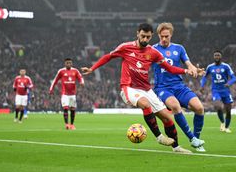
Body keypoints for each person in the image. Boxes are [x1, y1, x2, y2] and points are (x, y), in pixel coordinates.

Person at [81, 23, 196, 153]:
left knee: (168, 118)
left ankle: (176, 147)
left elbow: (169, 68)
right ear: (137, 34)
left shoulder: (154, 53)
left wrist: (186, 71)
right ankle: (159, 137)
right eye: (143, 36)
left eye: (148, 37)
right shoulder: (126, 47)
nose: (145, 39)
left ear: (151, 36)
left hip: (146, 89)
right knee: (145, 104)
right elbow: (108, 56)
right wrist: (92, 68)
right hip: (129, 87)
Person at [152, 22, 206, 152]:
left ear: (171, 35)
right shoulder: (153, 49)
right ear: (158, 35)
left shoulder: (179, 48)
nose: (164, 39)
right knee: (175, 106)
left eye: (167, 36)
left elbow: (189, 64)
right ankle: (192, 138)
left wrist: (194, 70)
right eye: (162, 36)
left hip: (179, 86)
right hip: (162, 88)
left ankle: (196, 141)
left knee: (199, 108)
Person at [200, 50, 236, 133]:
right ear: (213, 57)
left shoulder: (226, 66)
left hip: (226, 91)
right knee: (218, 106)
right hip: (215, 90)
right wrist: (202, 86)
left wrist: (229, 83)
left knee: (228, 110)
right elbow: (204, 77)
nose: (217, 57)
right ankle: (222, 123)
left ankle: (227, 127)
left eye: (218, 55)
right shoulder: (210, 67)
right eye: (215, 55)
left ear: (221, 56)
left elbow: (234, 77)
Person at [49, 58, 85, 130]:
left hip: (72, 94)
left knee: (72, 109)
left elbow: (80, 77)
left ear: (71, 63)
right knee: (65, 108)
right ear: (65, 64)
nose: (68, 64)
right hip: (64, 94)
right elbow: (55, 80)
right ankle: (66, 124)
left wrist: (82, 82)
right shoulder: (61, 71)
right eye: (67, 63)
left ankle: (72, 125)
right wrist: (51, 89)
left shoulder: (75, 71)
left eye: (70, 63)